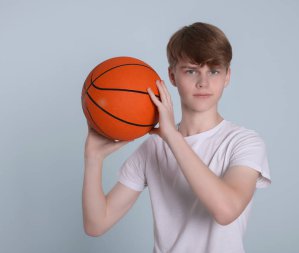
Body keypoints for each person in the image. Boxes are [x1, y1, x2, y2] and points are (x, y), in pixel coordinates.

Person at [82, 22, 271, 253]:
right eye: (191, 70)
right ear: (172, 76)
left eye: (214, 71)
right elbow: (96, 224)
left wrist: (172, 136)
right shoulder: (153, 148)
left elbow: (226, 210)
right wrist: (93, 160)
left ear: (227, 76)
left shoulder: (244, 142)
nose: (203, 82)